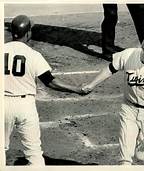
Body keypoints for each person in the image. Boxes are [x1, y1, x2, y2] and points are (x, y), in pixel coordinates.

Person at [82, 33, 144, 165]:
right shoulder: (129, 55)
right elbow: (110, 69)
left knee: (141, 156)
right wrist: (91, 84)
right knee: (125, 158)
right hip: (129, 109)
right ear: (142, 45)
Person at [4, 15, 83, 166]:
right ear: (27, 33)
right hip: (24, 106)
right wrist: (76, 89)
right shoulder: (33, 55)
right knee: (34, 155)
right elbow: (50, 82)